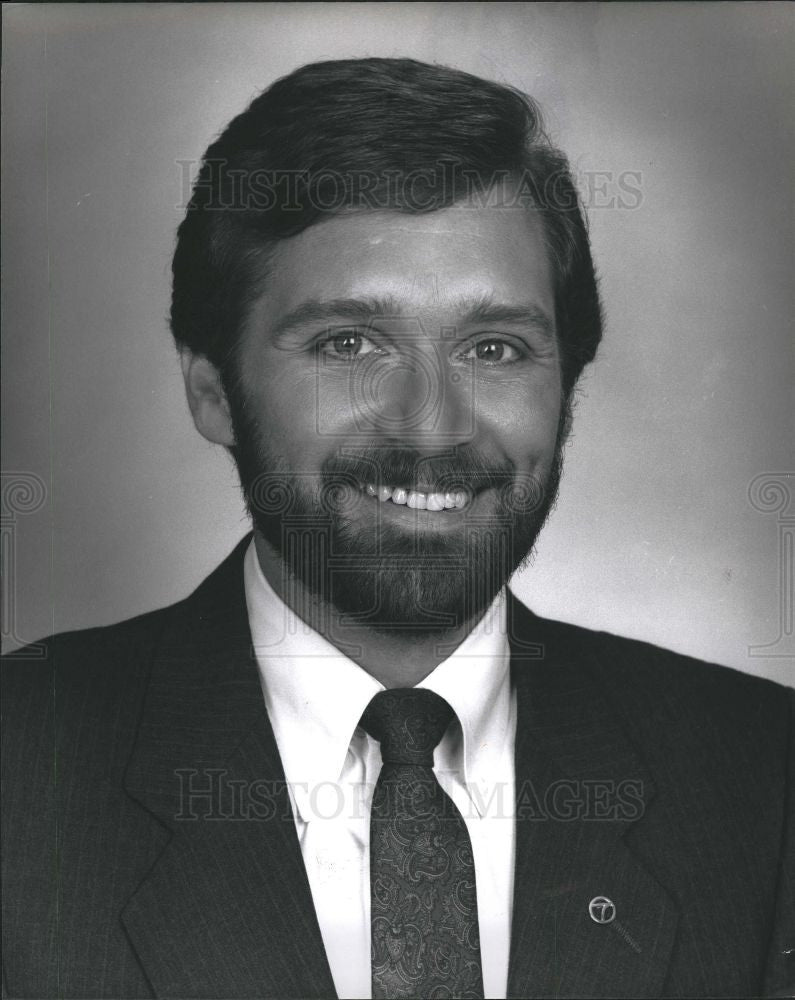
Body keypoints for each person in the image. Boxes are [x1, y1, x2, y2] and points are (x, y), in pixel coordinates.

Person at [1, 57, 792, 1000]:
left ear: (567, 388)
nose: (431, 423)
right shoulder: (24, 773)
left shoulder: (762, 775)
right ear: (211, 387)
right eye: (349, 344)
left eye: (493, 348)